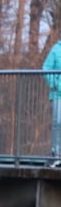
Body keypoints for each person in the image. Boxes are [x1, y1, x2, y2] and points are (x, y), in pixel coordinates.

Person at [45, 36, 61, 169]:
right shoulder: (56, 50)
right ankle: (56, 153)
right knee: (58, 122)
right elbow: (46, 69)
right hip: (58, 94)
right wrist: (55, 84)